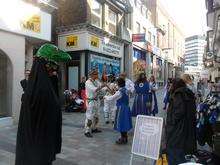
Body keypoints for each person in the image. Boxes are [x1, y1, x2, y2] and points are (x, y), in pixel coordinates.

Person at [15, 44, 71, 165]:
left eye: (55, 70)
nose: (54, 73)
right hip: (38, 149)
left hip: (41, 146)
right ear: (45, 68)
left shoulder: (40, 88)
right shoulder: (41, 91)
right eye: (52, 69)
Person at [166, 78, 197, 165]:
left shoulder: (178, 94)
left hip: (179, 128)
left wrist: (171, 122)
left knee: (175, 149)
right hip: (187, 126)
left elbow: (179, 112)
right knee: (183, 149)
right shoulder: (187, 92)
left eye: (172, 84)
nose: (171, 86)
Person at [104, 77, 132, 144]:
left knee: (121, 123)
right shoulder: (126, 90)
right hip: (126, 108)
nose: (116, 84)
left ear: (118, 83)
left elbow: (111, 98)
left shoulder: (119, 92)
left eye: (116, 83)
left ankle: (123, 138)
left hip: (121, 109)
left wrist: (105, 97)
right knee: (125, 123)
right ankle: (125, 137)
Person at [84, 69, 106, 138]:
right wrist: (102, 86)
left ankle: (94, 128)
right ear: (91, 75)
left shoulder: (96, 81)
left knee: (97, 115)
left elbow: (102, 89)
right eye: (96, 74)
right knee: (89, 116)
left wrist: (107, 88)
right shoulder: (88, 82)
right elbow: (94, 89)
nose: (97, 75)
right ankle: (87, 131)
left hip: (97, 100)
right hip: (90, 101)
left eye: (97, 74)